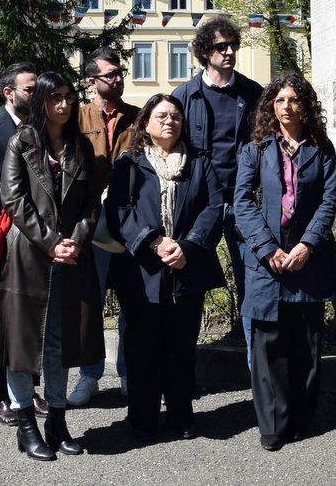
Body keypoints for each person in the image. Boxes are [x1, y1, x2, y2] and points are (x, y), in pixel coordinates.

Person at [0, 72, 104, 461]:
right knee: (22, 343)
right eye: (55, 98)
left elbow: (92, 203)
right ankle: (26, 426)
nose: (63, 105)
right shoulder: (23, 141)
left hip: (71, 257)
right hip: (27, 257)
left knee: (58, 342)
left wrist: (75, 241)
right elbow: (14, 199)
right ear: (41, 102)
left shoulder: (80, 145)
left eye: (68, 97)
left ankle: (58, 422)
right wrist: (51, 242)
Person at [234, 72, 336, 452]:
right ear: (271, 106)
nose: (286, 107)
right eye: (279, 100)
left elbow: (328, 200)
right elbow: (242, 202)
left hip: (307, 260)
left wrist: (307, 245)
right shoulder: (256, 148)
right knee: (268, 346)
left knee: (306, 345)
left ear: (306, 105)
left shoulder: (322, 148)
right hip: (268, 261)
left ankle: (300, 419)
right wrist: (268, 248)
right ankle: (272, 423)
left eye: (294, 99)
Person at [105, 94, 224, 443]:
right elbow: (118, 211)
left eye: (175, 116)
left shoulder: (199, 162)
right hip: (141, 271)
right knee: (142, 348)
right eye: (161, 116)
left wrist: (188, 246)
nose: (170, 121)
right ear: (146, 123)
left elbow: (214, 207)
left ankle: (181, 415)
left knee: (181, 348)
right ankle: (142, 419)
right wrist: (153, 242)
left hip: (186, 269)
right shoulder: (130, 163)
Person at [172, 15, 263, 358]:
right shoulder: (184, 96)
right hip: (200, 206)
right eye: (221, 46)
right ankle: (182, 370)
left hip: (243, 202)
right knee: (188, 286)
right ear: (204, 52)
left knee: (253, 285)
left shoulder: (253, 94)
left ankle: (258, 373)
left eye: (233, 45)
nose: (229, 52)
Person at [0, 62, 47, 426]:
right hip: (3, 234)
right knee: (2, 317)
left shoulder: (42, 129)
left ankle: (29, 390)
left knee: (31, 316)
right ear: (9, 92)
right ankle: (0, 395)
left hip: (39, 236)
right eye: (31, 89)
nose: (37, 94)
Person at [68, 47, 140, 406]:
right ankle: (89, 374)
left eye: (120, 72)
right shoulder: (77, 118)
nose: (118, 78)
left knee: (132, 303)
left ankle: (129, 372)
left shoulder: (138, 118)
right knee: (89, 304)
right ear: (92, 80)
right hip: (89, 227)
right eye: (110, 74)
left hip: (131, 226)